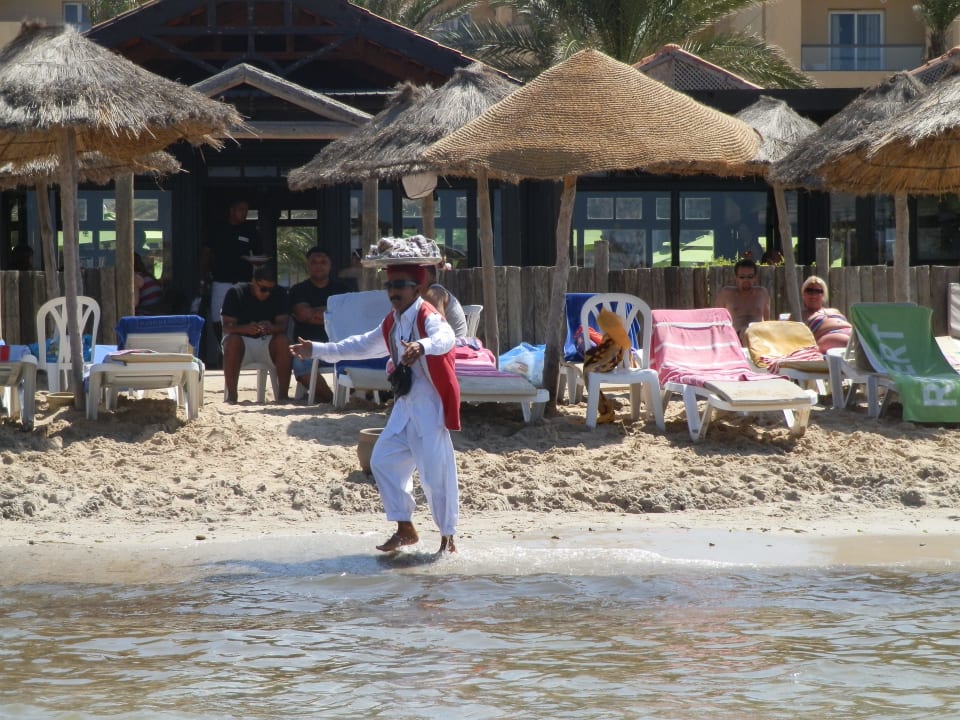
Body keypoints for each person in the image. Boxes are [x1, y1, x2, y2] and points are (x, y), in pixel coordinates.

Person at [290, 263, 460, 554]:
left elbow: (447, 338)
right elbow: (357, 346)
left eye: (399, 286)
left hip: (429, 408)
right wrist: (316, 349)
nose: (393, 292)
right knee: (382, 461)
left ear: (416, 289)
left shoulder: (426, 315)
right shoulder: (392, 322)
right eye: (389, 287)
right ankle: (405, 529)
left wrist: (422, 345)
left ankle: (448, 541)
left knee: (436, 476)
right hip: (405, 407)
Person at [199, 199, 265, 358]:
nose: (244, 213)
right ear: (232, 209)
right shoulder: (218, 229)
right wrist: (202, 278)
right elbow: (206, 254)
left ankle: (240, 352)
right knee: (217, 317)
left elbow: (259, 255)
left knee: (243, 317)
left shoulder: (250, 231)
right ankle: (223, 348)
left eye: (246, 210)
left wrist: (255, 262)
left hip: (243, 282)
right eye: (241, 209)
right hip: (220, 280)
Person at [288, 247, 354, 403]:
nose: (319, 265)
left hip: (339, 345)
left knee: (367, 358)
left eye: (323, 262)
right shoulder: (298, 290)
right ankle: (333, 400)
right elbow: (304, 315)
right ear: (308, 266)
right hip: (308, 346)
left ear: (330, 265)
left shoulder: (343, 289)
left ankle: (354, 397)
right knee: (300, 364)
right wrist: (331, 312)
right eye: (314, 262)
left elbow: (347, 316)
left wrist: (315, 312)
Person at [221, 262, 291, 404]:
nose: (267, 293)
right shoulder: (236, 292)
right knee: (232, 341)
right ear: (253, 282)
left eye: (271, 289)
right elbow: (226, 327)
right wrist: (245, 328)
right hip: (242, 344)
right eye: (263, 289)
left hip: (268, 342)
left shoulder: (280, 293)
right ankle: (232, 397)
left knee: (283, 341)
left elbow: (283, 325)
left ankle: (283, 396)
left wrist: (271, 327)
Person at [713, 257, 771, 342]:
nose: (746, 280)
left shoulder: (762, 293)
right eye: (742, 277)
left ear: (755, 278)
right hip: (736, 337)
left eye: (750, 277)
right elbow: (716, 319)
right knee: (745, 331)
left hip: (758, 336)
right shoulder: (727, 294)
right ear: (736, 278)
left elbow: (767, 321)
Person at [800, 275, 853, 353]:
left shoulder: (834, 310)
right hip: (827, 337)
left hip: (851, 332)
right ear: (803, 294)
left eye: (818, 291)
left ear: (824, 295)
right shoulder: (800, 314)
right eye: (809, 290)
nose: (813, 295)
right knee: (850, 344)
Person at [422, 263, 468, 337]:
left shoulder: (434, 293)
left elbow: (438, 332)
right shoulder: (427, 293)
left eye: (420, 272)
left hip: (454, 345)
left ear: (431, 276)